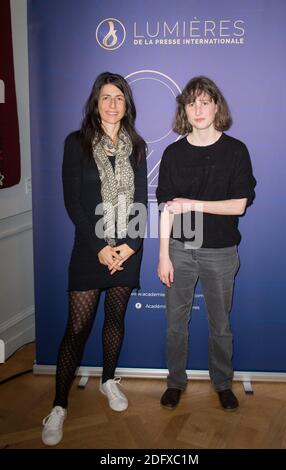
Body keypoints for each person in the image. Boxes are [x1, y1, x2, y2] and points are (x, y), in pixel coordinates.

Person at [41, 72, 147, 446]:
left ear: (126, 104)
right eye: (106, 97)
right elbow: (73, 202)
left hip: (127, 251)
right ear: (96, 102)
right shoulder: (77, 143)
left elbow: (139, 202)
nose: (113, 104)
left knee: (115, 320)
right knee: (77, 329)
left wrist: (130, 245)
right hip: (90, 249)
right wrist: (101, 247)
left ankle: (107, 381)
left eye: (119, 97)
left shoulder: (137, 145)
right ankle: (58, 405)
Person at [156, 76, 256, 412]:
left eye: (205, 101)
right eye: (191, 103)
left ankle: (223, 383)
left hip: (221, 251)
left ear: (217, 106)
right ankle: (175, 382)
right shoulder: (173, 153)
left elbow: (239, 205)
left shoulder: (236, 150)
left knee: (220, 324)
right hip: (179, 252)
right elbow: (167, 209)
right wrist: (163, 256)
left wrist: (193, 203)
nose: (198, 109)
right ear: (183, 109)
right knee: (175, 323)